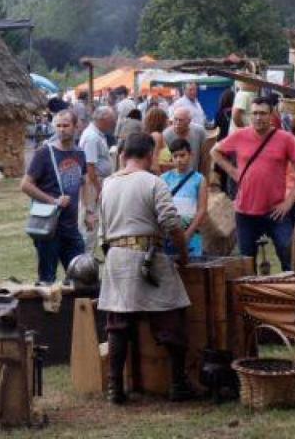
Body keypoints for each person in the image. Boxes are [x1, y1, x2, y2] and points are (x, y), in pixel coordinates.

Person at [98, 132, 192, 404]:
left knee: (118, 325)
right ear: (150, 155)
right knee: (171, 318)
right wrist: (183, 255)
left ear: (124, 155)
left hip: (116, 256)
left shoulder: (108, 184)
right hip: (148, 256)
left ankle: (115, 388)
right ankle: (177, 384)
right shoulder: (154, 182)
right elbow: (172, 224)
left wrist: (114, 257)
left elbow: (102, 231)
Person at [210, 97, 295, 271]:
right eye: (254, 113)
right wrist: (233, 172)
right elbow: (214, 151)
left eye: (262, 113)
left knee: (289, 254)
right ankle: (250, 295)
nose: (258, 118)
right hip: (245, 211)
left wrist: (289, 201)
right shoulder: (240, 135)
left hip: (276, 210)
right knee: (246, 260)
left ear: (271, 115)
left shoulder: (285, 139)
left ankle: (291, 293)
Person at [20, 110, 87, 284]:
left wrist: (89, 211)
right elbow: (25, 185)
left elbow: (83, 182)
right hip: (49, 227)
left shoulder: (80, 154)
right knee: (47, 280)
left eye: (66, 125)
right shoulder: (44, 153)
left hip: (71, 227)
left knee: (81, 278)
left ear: (76, 127)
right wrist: (54, 201)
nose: (62, 129)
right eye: (58, 125)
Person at [161, 139, 208, 258]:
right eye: (175, 156)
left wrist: (188, 234)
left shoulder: (199, 179)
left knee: (193, 268)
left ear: (191, 155)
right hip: (169, 234)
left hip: (192, 233)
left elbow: (202, 209)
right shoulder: (164, 178)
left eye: (182, 155)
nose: (179, 160)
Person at [79, 106, 116, 252]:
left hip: (98, 181)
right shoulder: (92, 137)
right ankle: (86, 255)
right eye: (111, 120)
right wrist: (99, 189)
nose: (113, 123)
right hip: (93, 183)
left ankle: (89, 253)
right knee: (91, 218)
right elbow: (90, 167)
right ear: (102, 120)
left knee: (96, 219)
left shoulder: (97, 134)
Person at [163, 107, 207, 173]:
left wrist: (204, 175)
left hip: (195, 175)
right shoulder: (166, 135)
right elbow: (164, 161)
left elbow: (205, 156)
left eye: (180, 120)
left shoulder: (199, 131)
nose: (177, 123)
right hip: (174, 176)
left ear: (189, 121)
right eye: (175, 119)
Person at [144, 106, 172, 173]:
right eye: (166, 118)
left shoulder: (157, 135)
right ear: (160, 120)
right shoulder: (157, 136)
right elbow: (154, 160)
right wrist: (160, 178)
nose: (168, 121)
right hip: (161, 177)